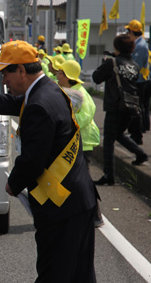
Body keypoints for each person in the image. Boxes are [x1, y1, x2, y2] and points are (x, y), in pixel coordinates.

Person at [0, 40, 97, 282]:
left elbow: (32, 160)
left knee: (54, 273)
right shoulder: (47, 90)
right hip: (78, 198)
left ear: (21, 70)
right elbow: (13, 103)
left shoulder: (38, 104)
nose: (4, 80)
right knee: (80, 274)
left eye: (5, 73)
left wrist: (13, 184)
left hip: (62, 205)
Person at [92, 34, 148, 186]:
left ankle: (108, 175)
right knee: (119, 134)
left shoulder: (112, 63)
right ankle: (140, 153)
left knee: (108, 141)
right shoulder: (135, 65)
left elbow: (96, 77)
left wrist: (105, 63)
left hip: (115, 106)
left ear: (116, 47)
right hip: (130, 107)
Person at [57, 60, 104, 227]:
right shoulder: (69, 90)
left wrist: (66, 123)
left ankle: (96, 216)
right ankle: (81, 214)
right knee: (77, 179)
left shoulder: (80, 93)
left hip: (84, 141)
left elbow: (85, 117)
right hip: (76, 141)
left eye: (60, 73)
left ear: (68, 77)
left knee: (83, 179)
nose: (57, 75)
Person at [126, 20, 150, 145]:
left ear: (131, 31)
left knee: (138, 106)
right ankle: (141, 129)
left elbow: (135, 65)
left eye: (128, 31)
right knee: (141, 105)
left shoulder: (140, 46)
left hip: (140, 80)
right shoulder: (140, 43)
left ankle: (139, 131)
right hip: (142, 79)